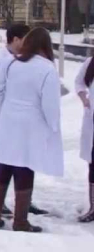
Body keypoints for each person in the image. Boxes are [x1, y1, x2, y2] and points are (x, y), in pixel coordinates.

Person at [0, 27, 62, 233]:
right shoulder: (47, 69)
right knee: (24, 168)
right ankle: (20, 222)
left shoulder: (11, 62)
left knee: (2, 166)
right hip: (30, 124)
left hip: (7, 121)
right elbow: (50, 104)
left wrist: (6, 106)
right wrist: (52, 125)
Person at [74, 53, 94, 223]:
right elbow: (79, 82)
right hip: (92, 121)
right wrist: (84, 99)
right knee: (93, 165)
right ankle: (93, 208)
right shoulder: (90, 63)